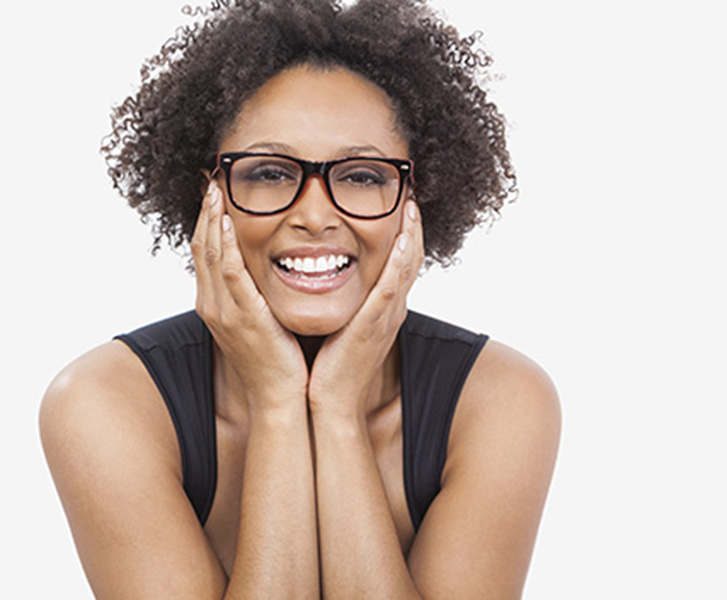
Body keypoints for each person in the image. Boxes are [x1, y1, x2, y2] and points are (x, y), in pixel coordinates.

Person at [39, 0, 561, 598]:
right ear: (209, 195)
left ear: (416, 201)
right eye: (269, 173)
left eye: (362, 176)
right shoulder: (103, 402)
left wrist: (335, 409)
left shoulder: (500, 400)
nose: (315, 215)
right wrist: (280, 402)